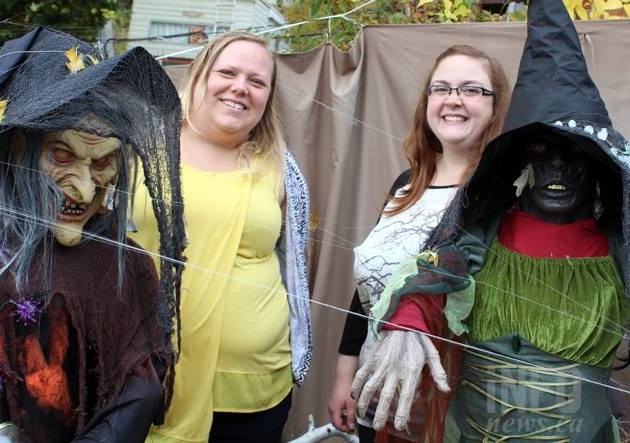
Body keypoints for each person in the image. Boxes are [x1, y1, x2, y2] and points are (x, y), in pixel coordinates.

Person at [353, 0, 630, 440]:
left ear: (598, 164)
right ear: (520, 159)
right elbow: (434, 274)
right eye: (541, 151)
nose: (557, 167)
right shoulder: (481, 232)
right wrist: (409, 322)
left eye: (574, 152)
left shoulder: (619, 251)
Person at [0, 27, 185, 442]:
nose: (84, 189)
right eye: (62, 155)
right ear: (18, 149)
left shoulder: (128, 265)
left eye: (103, 162)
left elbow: (140, 389)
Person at [129, 31, 311, 443]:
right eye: (227, 72)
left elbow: (295, 269)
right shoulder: (140, 146)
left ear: (268, 96)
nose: (239, 88)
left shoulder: (283, 168)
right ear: (199, 75)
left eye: (256, 81)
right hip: (145, 380)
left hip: (254, 395)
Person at [327, 45, 510, 441]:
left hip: (450, 407)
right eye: (440, 88)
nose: (453, 100)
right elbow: (369, 288)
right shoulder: (405, 186)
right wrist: (346, 374)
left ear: (496, 107)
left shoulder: (500, 196)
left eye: (471, 90)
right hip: (375, 393)